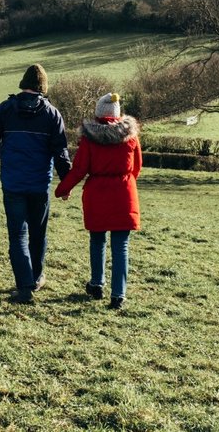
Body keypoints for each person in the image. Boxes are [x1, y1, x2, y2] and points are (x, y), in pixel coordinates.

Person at [0, 64, 71, 304]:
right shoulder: (52, 114)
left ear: (23, 84)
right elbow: (60, 151)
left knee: (17, 235)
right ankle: (37, 277)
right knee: (38, 233)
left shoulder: (6, 109)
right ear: (43, 87)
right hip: (40, 185)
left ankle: (24, 287)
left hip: (13, 183)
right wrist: (66, 182)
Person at [54, 93, 141, 310]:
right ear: (117, 113)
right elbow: (137, 166)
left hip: (97, 194)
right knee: (121, 246)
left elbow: (80, 169)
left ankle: (96, 284)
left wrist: (62, 189)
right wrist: (126, 183)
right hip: (124, 194)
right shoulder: (131, 137)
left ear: (98, 113)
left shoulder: (90, 138)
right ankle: (118, 295)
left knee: (97, 241)